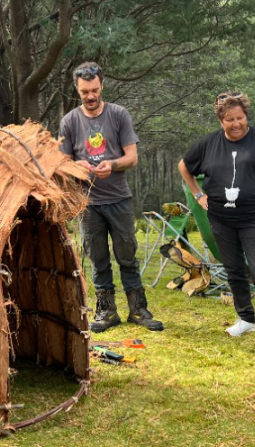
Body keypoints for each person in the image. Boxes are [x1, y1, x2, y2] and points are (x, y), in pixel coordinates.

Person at [178, 92, 255, 346]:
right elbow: (184, 166)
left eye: (240, 118)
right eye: (230, 119)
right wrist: (198, 194)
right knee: (233, 269)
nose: (236, 124)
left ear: (246, 116)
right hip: (221, 219)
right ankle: (245, 319)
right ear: (220, 121)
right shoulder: (208, 144)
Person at [59, 62, 163, 333]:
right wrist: (75, 167)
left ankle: (139, 310)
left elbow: (132, 157)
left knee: (127, 256)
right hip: (88, 203)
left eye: (94, 90)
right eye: (84, 92)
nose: (90, 96)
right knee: (98, 258)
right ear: (77, 89)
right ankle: (106, 312)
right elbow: (61, 161)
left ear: (102, 85)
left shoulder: (119, 115)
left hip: (119, 200)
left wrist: (112, 165)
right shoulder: (69, 121)